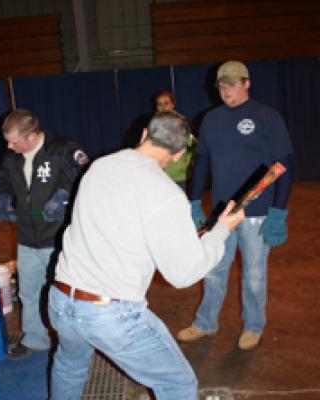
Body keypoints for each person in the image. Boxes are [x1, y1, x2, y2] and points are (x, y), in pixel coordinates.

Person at [48, 111, 244, 399]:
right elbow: (184, 273)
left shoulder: (100, 166)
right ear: (179, 155)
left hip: (61, 300)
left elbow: (117, 222)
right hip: (109, 314)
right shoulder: (165, 192)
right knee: (177, 385)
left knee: (69, 366)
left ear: (144, 135)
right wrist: (221, 231)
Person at [176, 60, 293, 350]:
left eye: (232, 84)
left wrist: (278, 211)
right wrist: (194, 201)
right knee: (214, 270)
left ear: (246, 83)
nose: (226, 90)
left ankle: (254, 325)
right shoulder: (211, 119)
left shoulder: (267, 117)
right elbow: (201, 161)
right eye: (221, 85)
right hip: (222, 214)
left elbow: (284, 164)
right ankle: (205, 323)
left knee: (254, 275)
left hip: (256, 212)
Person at [0, 108, 88, 359]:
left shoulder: (63, 149)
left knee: (67, 295)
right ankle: (35, 339)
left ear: (32, 136)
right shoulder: (12, 157)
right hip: (26, 238)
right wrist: (1, 197)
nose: (9, 147)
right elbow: (4, 181)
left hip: (58, 239)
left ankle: (75, 343)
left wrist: (64, 197)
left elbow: (85, 179)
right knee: (28, 292)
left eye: (14, 141)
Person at [156, 91, 197, 192]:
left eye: (166, 103)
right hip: (159, 175)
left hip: (178, 177)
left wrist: (185, 166)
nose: (163, 107)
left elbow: (193, 145)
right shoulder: (153, 125)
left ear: (172, 105)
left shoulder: (182, 123)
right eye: (159, 104)